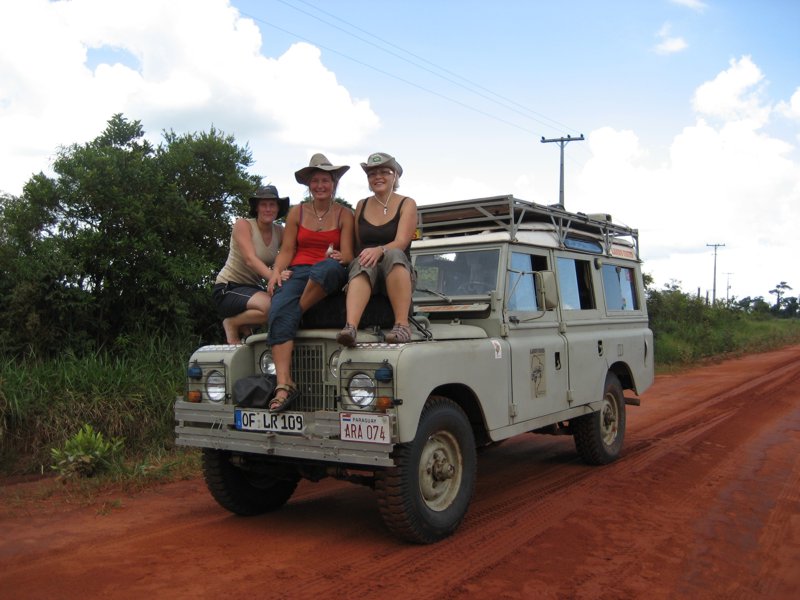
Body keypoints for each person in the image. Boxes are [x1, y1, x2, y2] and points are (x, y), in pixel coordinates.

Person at [265, 153, 355, 412]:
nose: (320, 185)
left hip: (329, 268)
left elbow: (349, 254)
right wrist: (276, 272)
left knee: (325, 270)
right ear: (308, 184)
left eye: (325, 180)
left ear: (333, 182)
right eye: (314, 180)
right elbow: (287, 250)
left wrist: (339, 256)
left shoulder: (344, 215)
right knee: (280, 302)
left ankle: (295, 313)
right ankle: (284, 384)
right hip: (299, 270)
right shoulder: (297, 212)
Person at [337, 152, 418, 347]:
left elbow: (401, 241)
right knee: (362, 260)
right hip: (367, 272)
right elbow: (357, 244)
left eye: (384, 172)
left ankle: (402, 324)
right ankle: (350, 327)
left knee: (394, 254)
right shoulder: (361, 205)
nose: (378, 177)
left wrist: (380, 249)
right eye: (372, 174)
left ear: (395, 176)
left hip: (397, 272)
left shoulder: (407, 203)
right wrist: (341, 255)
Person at [212, 185, 290, 344]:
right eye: (263, 204)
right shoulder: (243, 225)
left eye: (272, 204)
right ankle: (232, 323)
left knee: (285, 305)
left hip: (253, 290)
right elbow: (250, 259)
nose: (268, 209)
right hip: (228, 287)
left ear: (278, 208)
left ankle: (244, 328)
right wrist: (274, 276)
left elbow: (290, 253)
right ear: (256, 207)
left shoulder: (280, 231)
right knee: (270, 307)